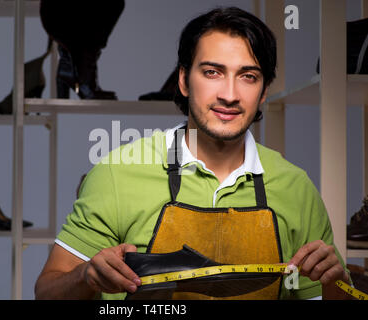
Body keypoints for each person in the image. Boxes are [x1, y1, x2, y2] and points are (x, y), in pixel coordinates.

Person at [34, 6, 352, 300]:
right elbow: (46, 291)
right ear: (184, 80)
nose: (229, 94)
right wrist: (84, 276)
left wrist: (333, 285)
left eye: (248, 77)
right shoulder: (117, 174)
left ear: (264, 92)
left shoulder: (296, 189)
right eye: (212, 72)